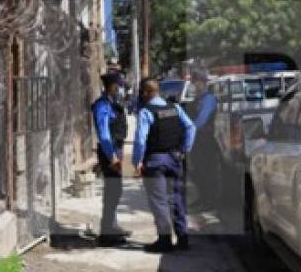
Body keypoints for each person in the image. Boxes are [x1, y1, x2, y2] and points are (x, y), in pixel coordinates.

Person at [132, 77, 196, 252]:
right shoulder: (174, 108)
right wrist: (184, 149)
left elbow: (140, 140)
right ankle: (183, 239)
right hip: (175, 159)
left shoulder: (146, 112)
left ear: (146, 93)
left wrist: (136, 160)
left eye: (142, 92)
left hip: (155, 161)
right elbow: (191, 127)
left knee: (159, 202)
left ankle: (165, 241)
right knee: (177, 199)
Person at [91, 73, 131, 246]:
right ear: (112, 86)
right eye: (118, 86)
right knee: (112, 191)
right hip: (110, 153)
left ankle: (112, 227)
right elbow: (103, 132)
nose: (120, 89)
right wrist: (112, 156)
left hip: (117, 151)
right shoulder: (101, 105)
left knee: (116, 190)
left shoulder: (112, 104)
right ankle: (107, 233)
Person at [184, 69, 220, 207]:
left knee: (206, 170)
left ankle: (210, 200)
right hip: (197, 139)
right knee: (197, 170)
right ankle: (203, 197)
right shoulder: (197, 99)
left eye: (197, 82)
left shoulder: (209, 99)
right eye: (194, 82)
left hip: (205, 139)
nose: (195, 85)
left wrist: (189, 130)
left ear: (203, 83)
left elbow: (201, 120)